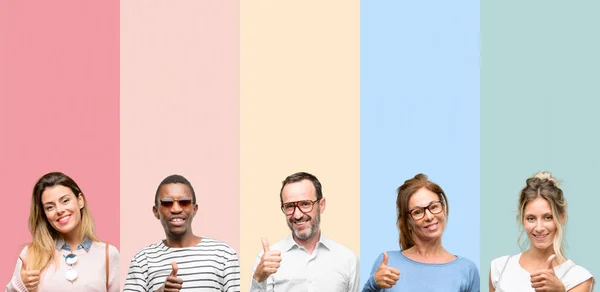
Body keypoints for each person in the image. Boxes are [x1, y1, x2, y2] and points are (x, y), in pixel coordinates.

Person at [362, 173, 479, 291]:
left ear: (443, 209)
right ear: (407, 222)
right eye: (417, 212)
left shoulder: (466, 269)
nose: (429, 216)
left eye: (434, 207)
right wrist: (373, 285)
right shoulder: (388, 263)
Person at [124, 174, 240, 291]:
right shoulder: (142, 260)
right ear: (156, 211)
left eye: (184, 202)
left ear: (194, 209)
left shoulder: (224, 255)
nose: (176, 209)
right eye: (167, 203)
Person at [6, 172, 120, 291]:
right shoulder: (31, 254)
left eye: (65, 201)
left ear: (80, 200)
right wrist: (19, 285)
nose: (59, 210)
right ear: (44, 215)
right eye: (50, 207)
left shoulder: (108, 254)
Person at [250, 171, 360, 292]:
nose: (297, 215)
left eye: (305, 204)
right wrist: (258, 279)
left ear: (321, 205)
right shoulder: (267, 260)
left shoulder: (348, 260)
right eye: (290, 206)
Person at [489, 171, 594, 292]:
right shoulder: (499, 267)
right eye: (531, 218)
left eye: (548, 217)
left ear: (562, 217)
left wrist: (559, 291)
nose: (539, 228)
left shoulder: (579, 278)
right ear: (522, 219)